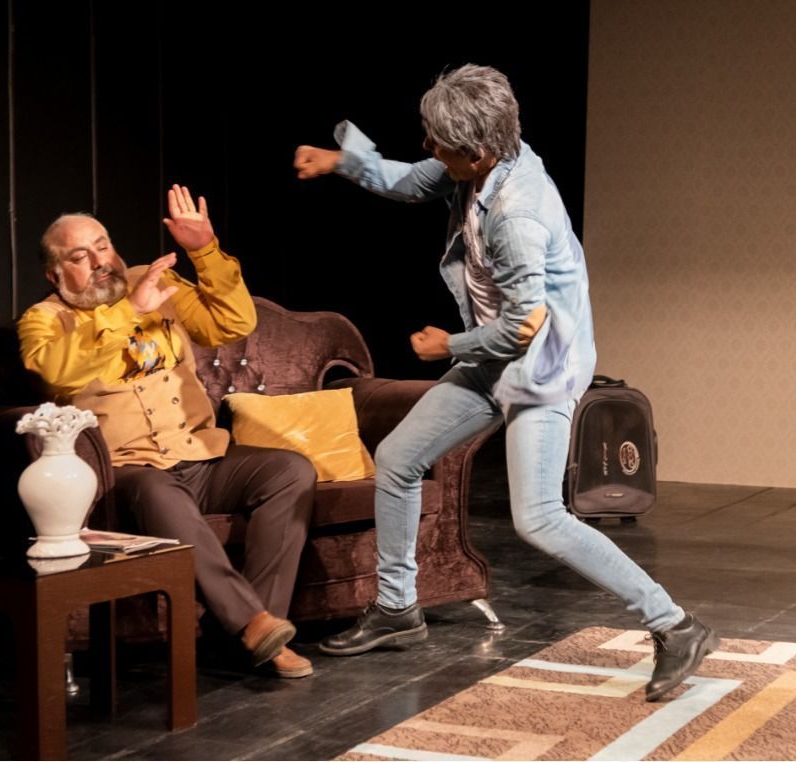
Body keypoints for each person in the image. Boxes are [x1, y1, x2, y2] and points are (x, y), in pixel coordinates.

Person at [293, 64, 716, 701]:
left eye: (439, 143)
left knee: (540, 518)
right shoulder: (480, 167)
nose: (429, 149)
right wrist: (343, 162)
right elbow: (413, 181)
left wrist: (448, 346)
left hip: (541, 368)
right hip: (497, 359)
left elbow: (522, 327)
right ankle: (398, 609)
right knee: (399, 458)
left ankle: (676, 626)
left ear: (479, 150)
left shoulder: (517, 214)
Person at [18, 185, 316, 679]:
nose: (100, 261)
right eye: (80, 256)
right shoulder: (44, 320)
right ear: (55, 274)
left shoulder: (153, 280)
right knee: (157, 490)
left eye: (103, 246)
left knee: (290, 472)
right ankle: (252, 625)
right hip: (129, 472)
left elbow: (233, 323)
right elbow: (57, 372)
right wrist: (131, 312)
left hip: (199, 455)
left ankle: (255, 629)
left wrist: (205, 251)